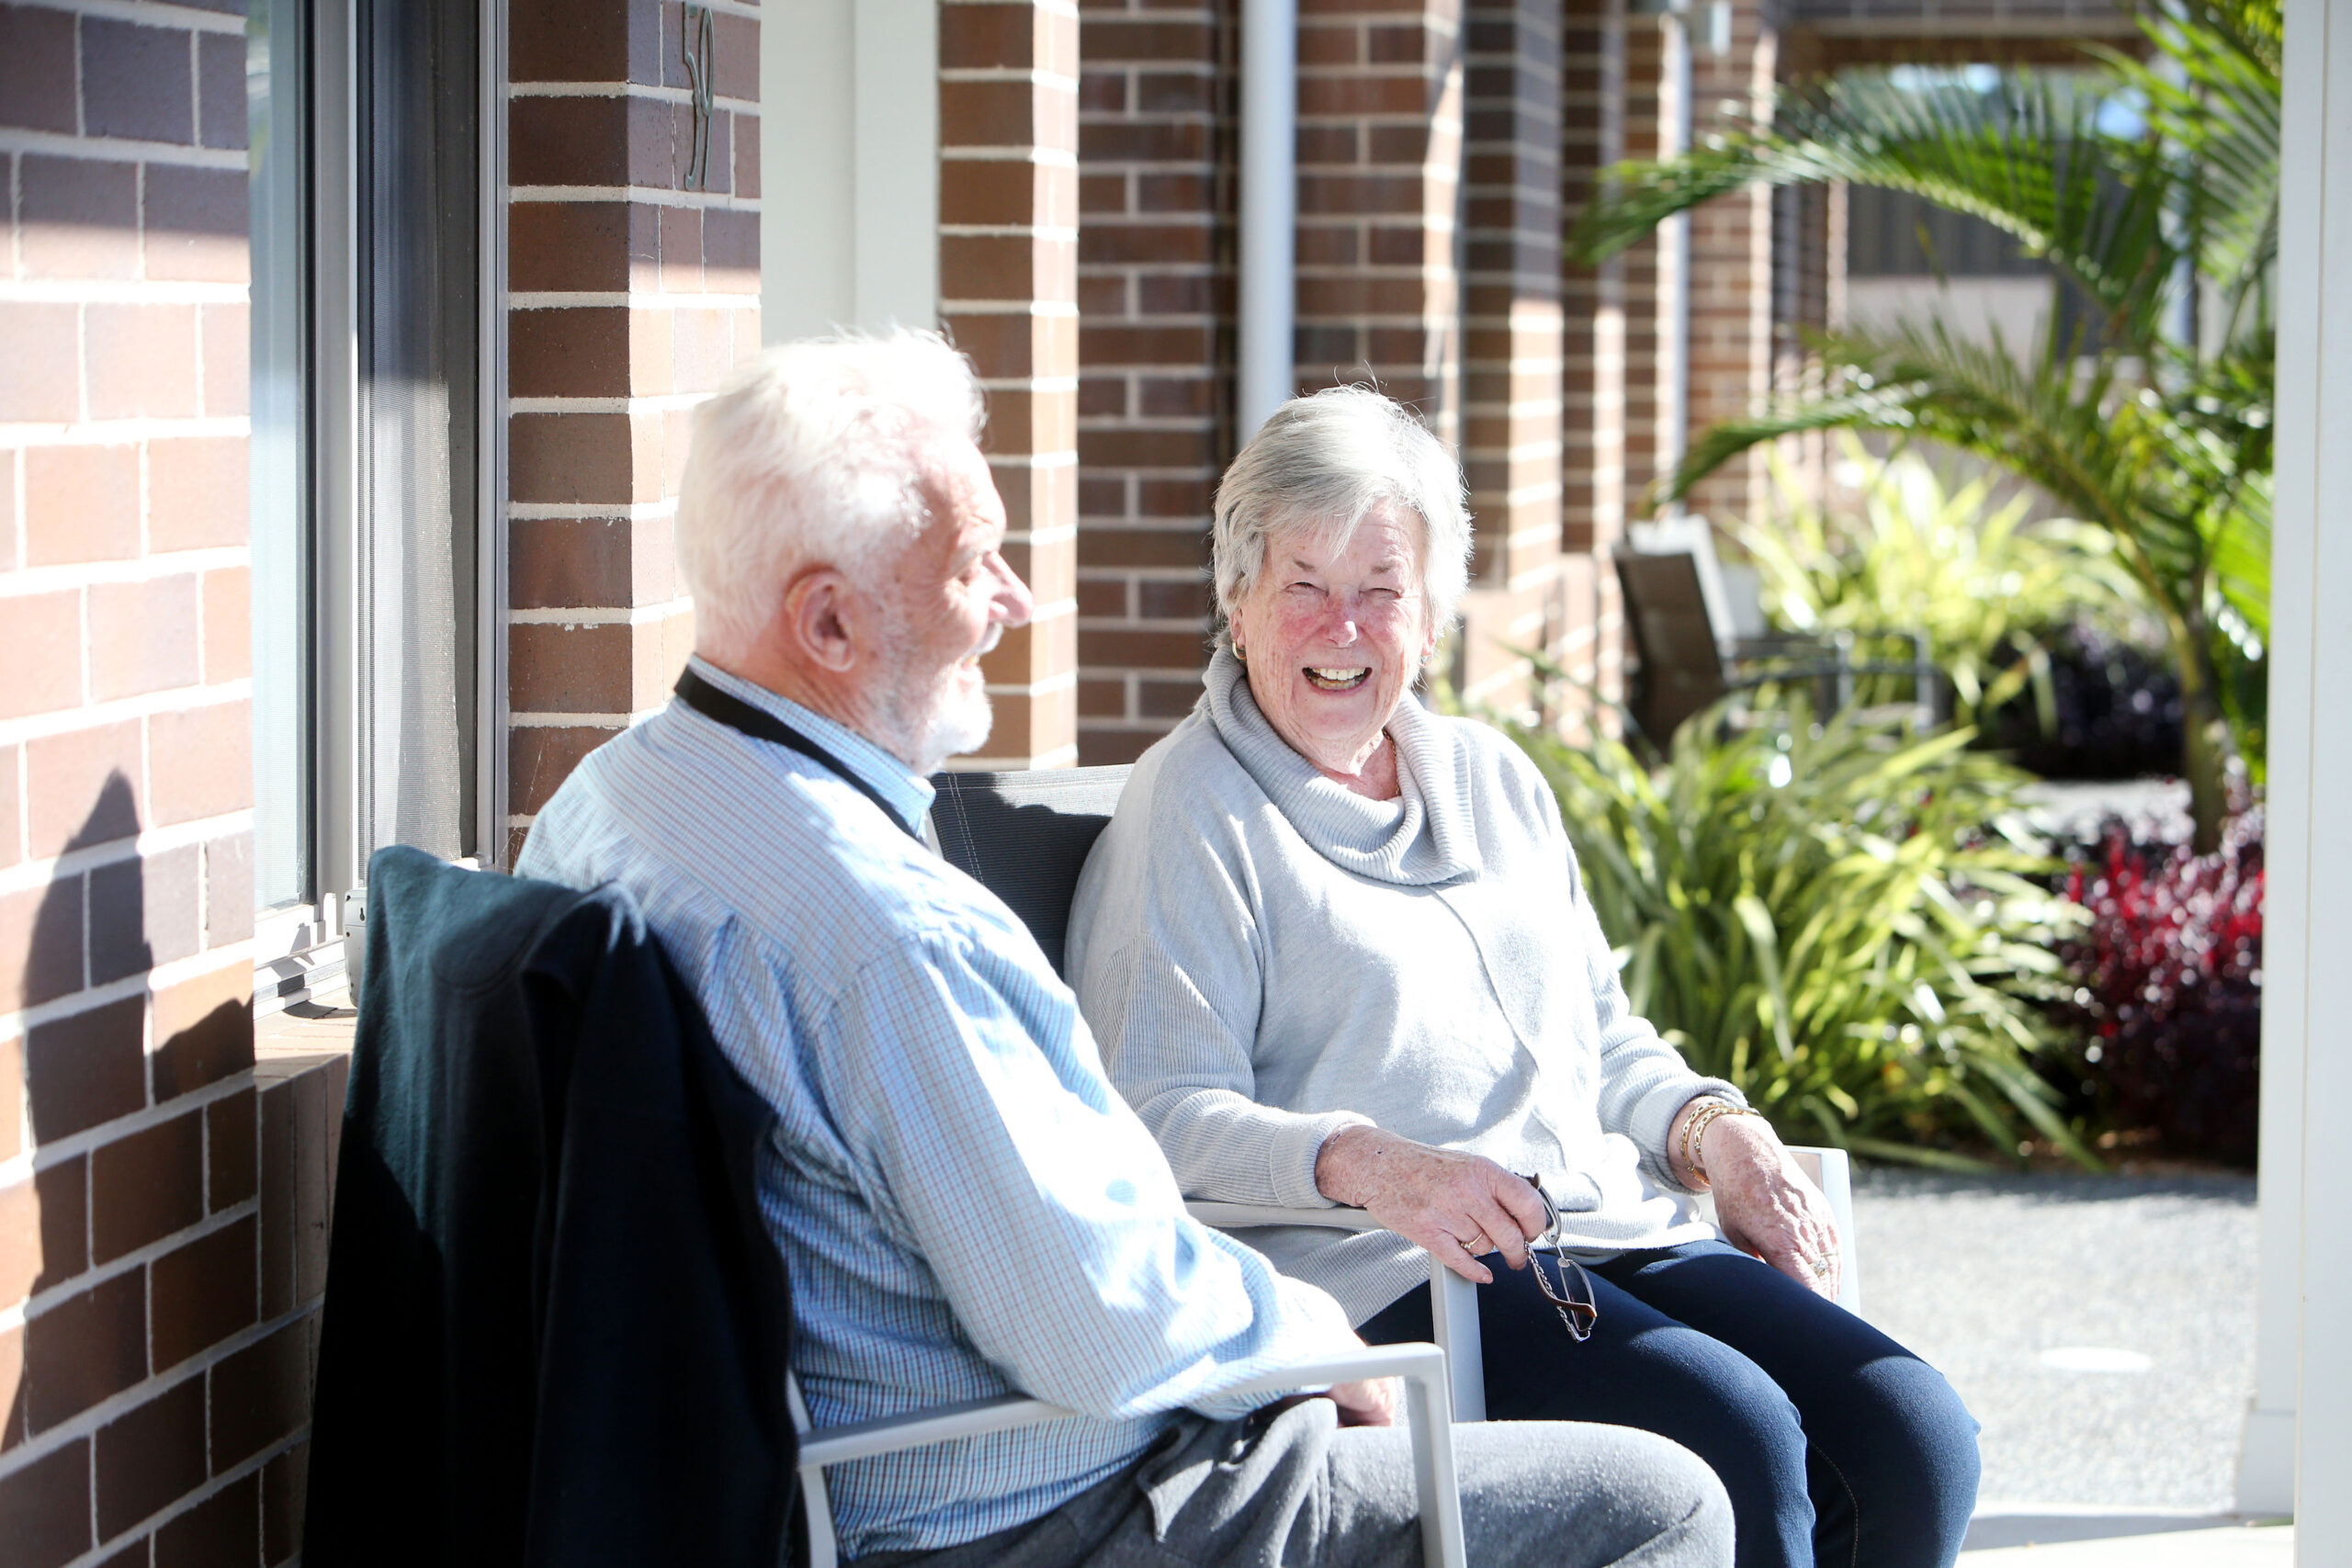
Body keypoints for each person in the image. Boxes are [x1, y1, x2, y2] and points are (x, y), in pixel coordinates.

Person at [517, 335, 1732, 1568]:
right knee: (1664, 1500)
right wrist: (1309, 1330)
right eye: (974, 563)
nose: (1016, 601)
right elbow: (1099, 1323)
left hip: (820, 1470)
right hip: (1023, 1499)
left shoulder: (603, 808)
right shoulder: (889, 935)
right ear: (827, 620)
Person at [1067, 386, 1983, 1568]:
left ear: (1432, 616)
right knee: (1736, 1444)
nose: (1342, 628)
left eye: (1379, 589)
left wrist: (1717, 1132)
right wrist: (1371, 1165)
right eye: (1304, 585)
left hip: (1604, 1232)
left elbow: (1600, 1036)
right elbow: (1148, 1116)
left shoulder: (1492, 778)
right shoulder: (1192, 810)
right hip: (1403, 1274)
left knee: (1910, 1432)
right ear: (1238, 602)